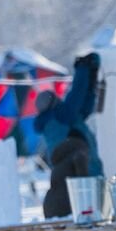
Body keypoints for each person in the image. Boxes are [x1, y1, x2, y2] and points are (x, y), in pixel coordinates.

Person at [34, 53, 103, 218]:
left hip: (81, 183)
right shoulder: (59, 118)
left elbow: (84, 105)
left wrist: (92, 74)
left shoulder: (63, 123)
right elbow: (77, 96)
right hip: (82, 187)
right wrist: (83, 69)